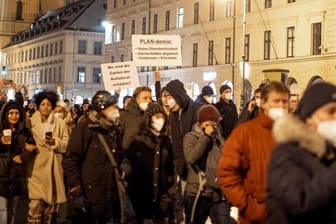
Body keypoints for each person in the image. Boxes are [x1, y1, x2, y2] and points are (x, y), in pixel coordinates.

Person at [217, 81, 290, 224]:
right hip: (256, 216)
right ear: (263, 103)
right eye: (276, 101)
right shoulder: (245, 133)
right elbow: (226, 173)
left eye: (284, 102)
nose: (281, 106)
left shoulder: (291, 132)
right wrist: (246, 205)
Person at [267, 82, 336, 224]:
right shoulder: (286, 153)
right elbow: (297, 202)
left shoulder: (329, 152)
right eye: (331, 112)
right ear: (309, 118)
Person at [62, 90, 123, 223]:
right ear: (102, 109)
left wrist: (124, 165)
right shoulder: (84, 129)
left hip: (107, 200)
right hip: (87, 199)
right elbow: (70, 161)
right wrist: (76, 191)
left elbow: (120, 155)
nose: (116, 111)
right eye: (111, 107)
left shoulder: (113, 130)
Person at [124, 103, 175, 223]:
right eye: (156, 117)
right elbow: (128, 165)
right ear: (149, 118)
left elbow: (170, 168)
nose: (160, 120)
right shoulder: (137, 140)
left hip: (161, 200)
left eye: (162, 117)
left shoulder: (165, 140)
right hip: (141, 199)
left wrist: (170, 194)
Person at [183, 104, 234, 224]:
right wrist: (206, 136)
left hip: (217, 193)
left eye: (214, 125)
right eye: (207, 125)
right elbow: (191, 157)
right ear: (200, 123)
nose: (211, 128)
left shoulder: (218, 138)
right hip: (197, 192)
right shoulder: (191, 137)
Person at [27, 91, 69, 223]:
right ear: (38, 106)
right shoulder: (30, 123)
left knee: (51, 209)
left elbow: (67, 145)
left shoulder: (60, 123)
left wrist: (55, 142)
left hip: (54, 169)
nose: (45, 107)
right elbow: (23, 141)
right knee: (35, 206)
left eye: (49, 104)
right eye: (43, 104)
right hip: (36, 169)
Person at [164, 79, 202, 223]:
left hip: (196, 170)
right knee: (187, 209)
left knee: (195, 210)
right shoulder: (173, 115)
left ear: (178, 95)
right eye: (166, 97)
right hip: (183, 169)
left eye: (169, 97)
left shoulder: (197, 110)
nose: (167, 101)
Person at [0, 102, 37, 224]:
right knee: (2, 210)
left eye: (16, 113)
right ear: (5, 115)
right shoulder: (0, 130)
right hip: (1, 176)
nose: (13, 116)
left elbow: (32, 149)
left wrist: (23, 156)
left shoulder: (25, 132)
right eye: (11, 113)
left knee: (14, 209)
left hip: (17, 176)